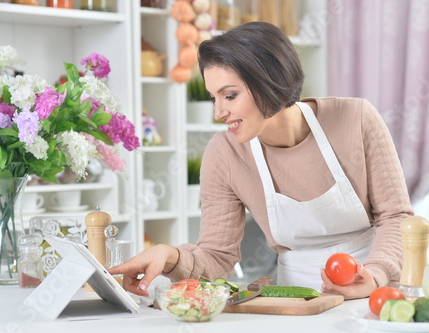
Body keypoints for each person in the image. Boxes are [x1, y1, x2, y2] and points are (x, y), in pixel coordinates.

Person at [109, 21, 413, 300]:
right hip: (296, 301)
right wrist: (170, 255)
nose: (218, 113)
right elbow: (216, 258)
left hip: (375, 290)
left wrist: (376, 275)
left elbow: (396, 216)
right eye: (213, 98)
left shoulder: (356, 119)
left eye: (229, 96)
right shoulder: (225, 154)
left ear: (269, 81)